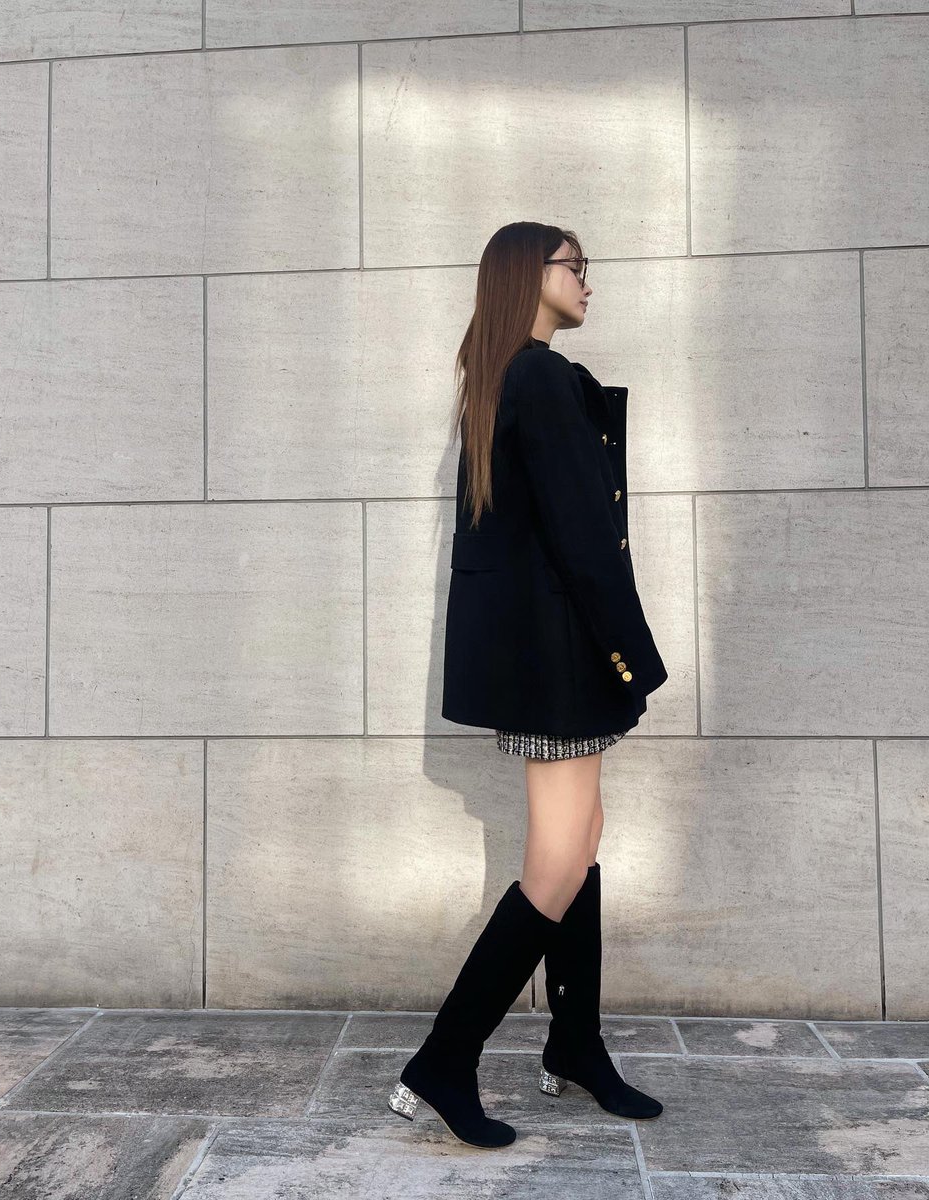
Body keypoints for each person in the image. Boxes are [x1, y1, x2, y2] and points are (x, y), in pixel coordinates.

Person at [387, 222, 669, 1148]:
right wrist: (632, 652)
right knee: (558, 858)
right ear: (527, 274)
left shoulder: (507, 373)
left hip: (550, 655)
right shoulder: (538, 377)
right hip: (558, 658)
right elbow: (584, 537)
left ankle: (575, 1044)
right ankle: (443, 1061)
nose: (587, 281)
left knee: (582, 837)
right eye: (573, 266)